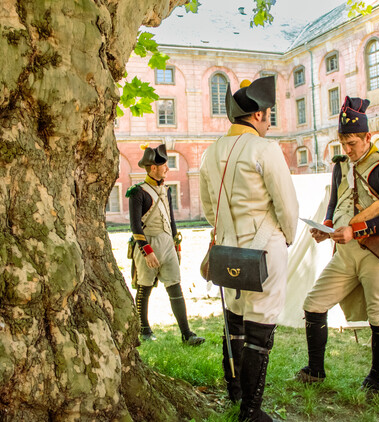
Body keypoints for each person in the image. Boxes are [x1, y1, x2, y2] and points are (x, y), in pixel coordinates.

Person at [199, 76, 299, 422]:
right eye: (267, 114)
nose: (269, 119)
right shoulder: (265, 149)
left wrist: (226, 234)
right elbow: (287, 206)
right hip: (264, 250)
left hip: (228, 252)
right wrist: (287, 237)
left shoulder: (209, 152)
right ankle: (251, 411)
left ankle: (235, 390)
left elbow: (207, 206)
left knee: (235, 320)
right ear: (256, 116)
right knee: (260, 328)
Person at [294, 96, 379, 398]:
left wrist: (356, 230)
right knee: (313, 304)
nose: (347, 150)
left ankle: (376, 380)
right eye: (343, 143)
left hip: (376, 255)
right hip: (344, 252)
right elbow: (334, 202)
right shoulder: (340, 166)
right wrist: (326, 225)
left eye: (353, 143)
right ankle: (315, 370)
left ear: (368, 137)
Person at [127, 144, 205, 346]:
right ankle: (144, 329)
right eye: (164, 165)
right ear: (153, 168)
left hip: (167, 244)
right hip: (148, 244)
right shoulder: (138, 192)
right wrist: (147, 251)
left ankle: (187, 334)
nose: (167, 169)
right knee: (144, 287)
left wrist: (176, 247)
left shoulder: (165, 191)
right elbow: (135, 225)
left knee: (175, 287)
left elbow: (171, 221)